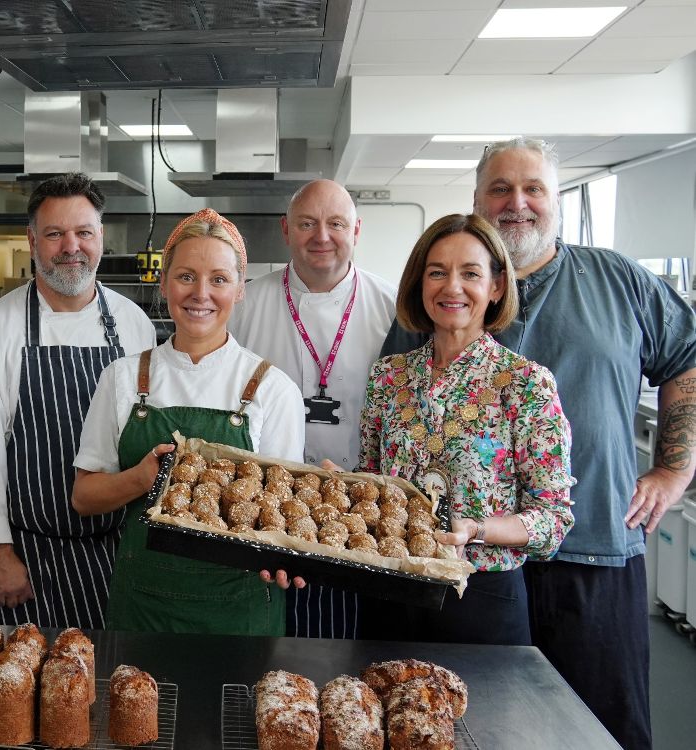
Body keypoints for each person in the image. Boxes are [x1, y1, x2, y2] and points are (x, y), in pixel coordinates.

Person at [381, 137, 696, 750]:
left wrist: (675, 468)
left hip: (591, 553)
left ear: (556, 200)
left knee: (600, 728)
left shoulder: (618, 280)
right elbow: (398, 429)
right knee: (476, 727)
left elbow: (688, 357)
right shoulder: (431, 307)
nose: (516, 203)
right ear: (476, 200)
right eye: (499, 189)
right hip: (467, 568)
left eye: (533, 190)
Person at [72, 208, 306, 635]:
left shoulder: (273, 389)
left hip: (240, 609)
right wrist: (142, 480)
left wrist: (289, 559)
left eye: (219, 279)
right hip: (144, 604)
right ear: (164, 283)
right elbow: (84, 497)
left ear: (239, 289)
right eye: (185, 276)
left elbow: (281, 517)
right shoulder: (123, 379)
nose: (201, 293)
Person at [0, 172, 156, 629]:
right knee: (29, 692)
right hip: (28, 557)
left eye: (83, 232)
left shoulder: (133, 323)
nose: (71, 246)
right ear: (31, 240)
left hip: (117, 550)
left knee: (111, 684)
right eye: (54, 234)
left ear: (100, 236)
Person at [358, 213, 574, 645]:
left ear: (496, 286)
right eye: (437, 272)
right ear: (420, 284)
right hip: (390, 591)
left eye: (470, 273)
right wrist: (343, 486)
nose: (451, 287)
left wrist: (478, 528)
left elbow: (553, 519)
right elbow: (374, 487)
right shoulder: (388, 377)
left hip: (482, 598)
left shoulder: (525, 383)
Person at [229, 179, 397, 638]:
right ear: (286, 230)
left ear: (357, 230)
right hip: (265, 508)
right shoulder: (245, 303)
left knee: (345, 643)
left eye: (336, 224)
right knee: (266, 643)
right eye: (307, 224)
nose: (321, 237)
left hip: (360, 511)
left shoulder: (395, 308)